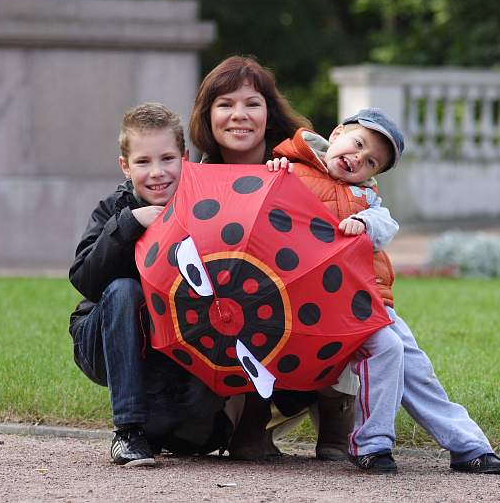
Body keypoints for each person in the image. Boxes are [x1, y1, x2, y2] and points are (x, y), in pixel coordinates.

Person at [267, 108, 500, 475]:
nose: (358, 158)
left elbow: (385, 224)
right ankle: (371, 443)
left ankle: (467, 445)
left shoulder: (366, 198)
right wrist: (274, 171)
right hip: (320, 301)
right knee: (387, 348)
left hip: (368, 300)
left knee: (416, 366)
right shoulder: (290, 170)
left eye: (370, 162)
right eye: (358, 144)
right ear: (336, 135)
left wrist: (363, 221)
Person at [187, 55, 370, 461]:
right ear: (207, 115)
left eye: (252, 103)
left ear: (269, 114)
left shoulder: (312, 167)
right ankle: (250, 425)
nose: (239, 115)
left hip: (304, 315)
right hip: (231, 327)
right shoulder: (192, 182)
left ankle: (336, 426)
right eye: (225, 104)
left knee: (335, 297)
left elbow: (355, 223)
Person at [68, 102, 186, 466]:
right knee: (123, 288)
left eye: (167, 159)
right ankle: (127, 431)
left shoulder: (199, 206)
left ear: (185, 157)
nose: (157, 173)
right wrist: (129, 223)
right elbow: (85, 280)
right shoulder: (114, 208)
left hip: (165, 344)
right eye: (143, 162)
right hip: (100, 339)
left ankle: (160, 423)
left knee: (198, 438)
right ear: (125, 166)